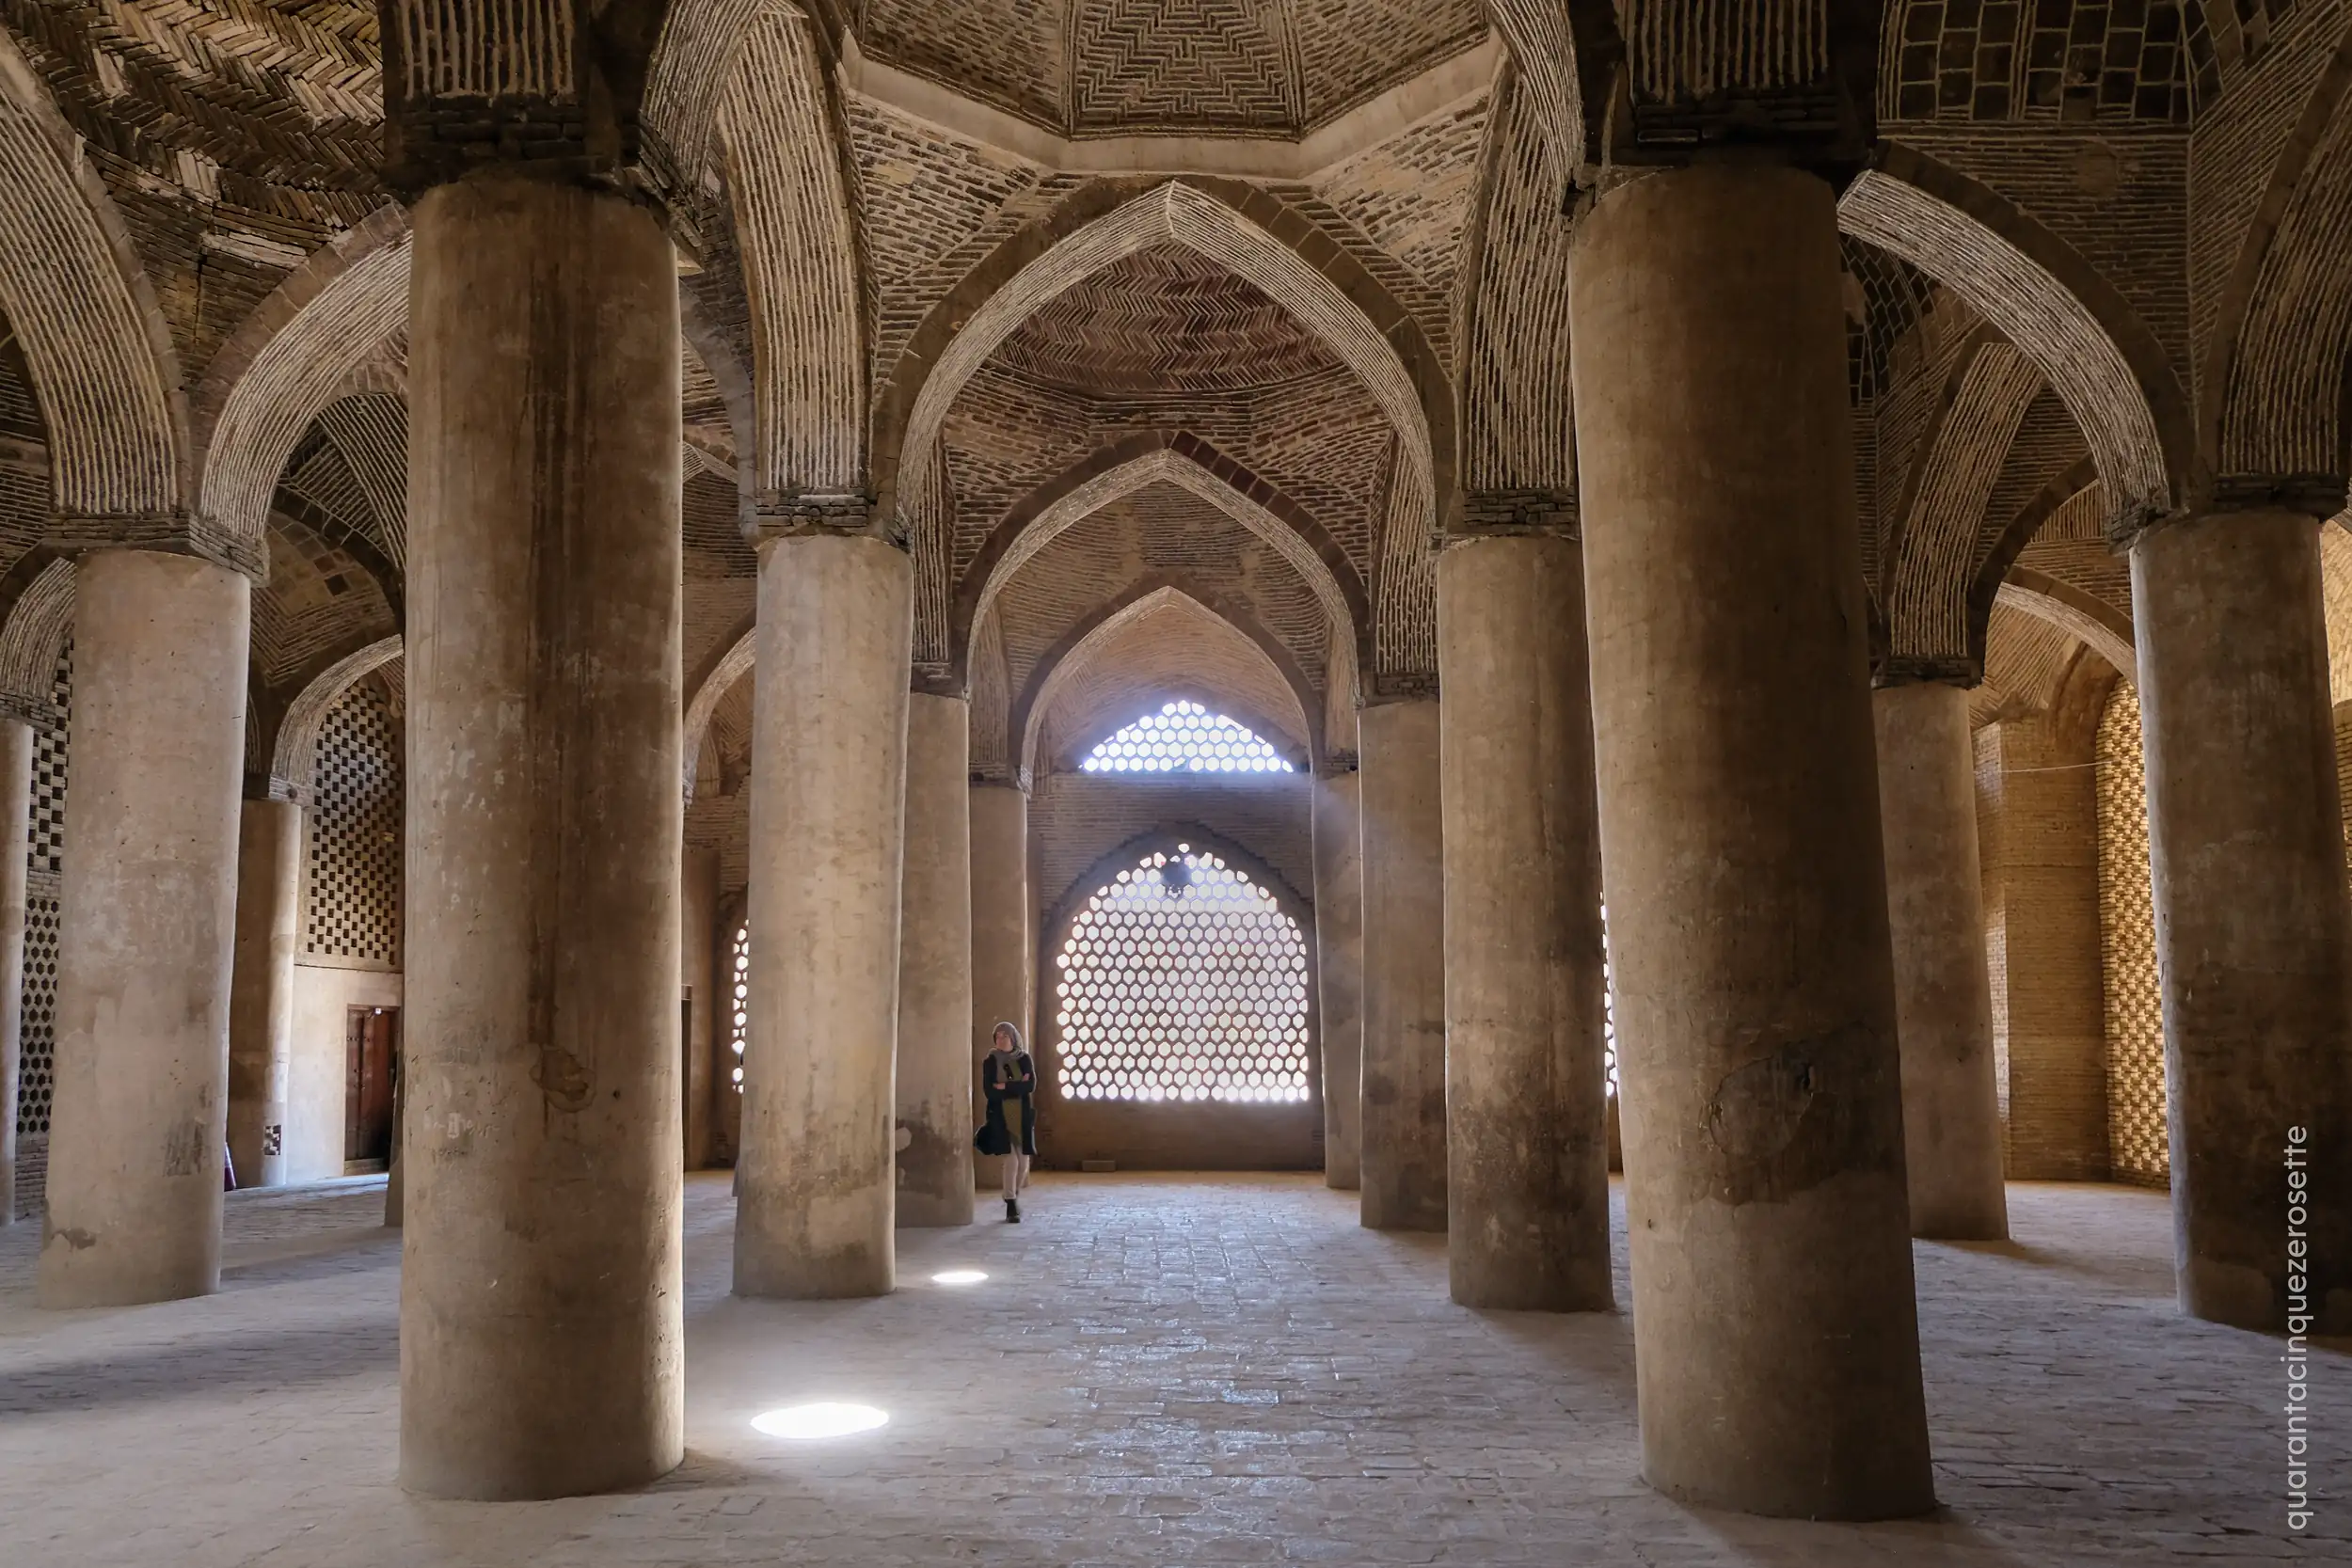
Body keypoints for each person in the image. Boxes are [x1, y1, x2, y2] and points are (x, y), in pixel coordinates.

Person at [977, 1022, 1036, 1222]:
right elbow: (990, 1090)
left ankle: (1014, 1194)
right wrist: (1015, 1085)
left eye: (1005, 1036)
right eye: (998, 1036)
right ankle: (1010, 1203)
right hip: (1000, 1116)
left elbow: (1030, 1086)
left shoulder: (1024, 1059)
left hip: (1021, 1116)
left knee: (1023, 1162)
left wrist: (1006, 1086)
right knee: (1011, 1160)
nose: (1001, 1040)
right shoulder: (990, 1061)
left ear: (1013, 1038)